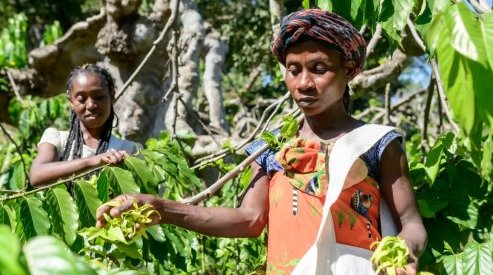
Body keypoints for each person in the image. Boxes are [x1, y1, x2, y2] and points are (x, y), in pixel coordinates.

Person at [95, 9, 427, 274]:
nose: (304, 83)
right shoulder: (271, 151)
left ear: (349, 70)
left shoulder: (376, 143)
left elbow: (411, 223)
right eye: (293, 69)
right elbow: (249, 220)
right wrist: (159, 207)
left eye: (319, 68)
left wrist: (404, 251)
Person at [30, 64, 140, 189]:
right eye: (82, 99)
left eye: (99, 97)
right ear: (71, 101)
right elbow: (37, 175)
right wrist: (93, 161)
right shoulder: (57, 140)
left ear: (112, 96)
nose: (91, 105)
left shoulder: (128, 149)